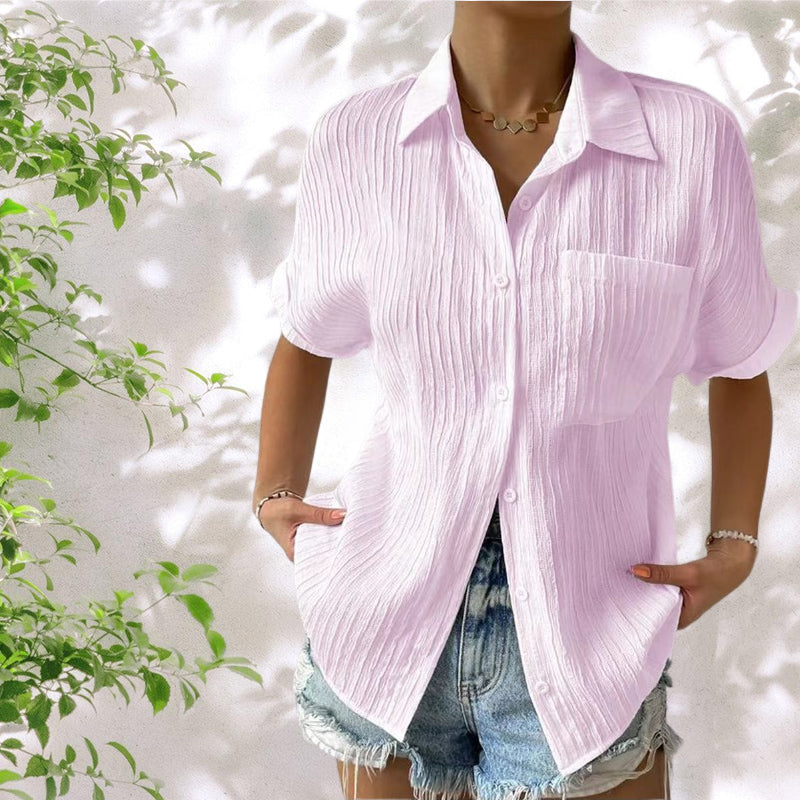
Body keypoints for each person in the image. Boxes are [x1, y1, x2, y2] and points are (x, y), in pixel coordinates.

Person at [253, 2, 797, 799]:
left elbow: (741, 358)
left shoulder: (689, 138)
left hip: (591, 628)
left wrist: (735, 541)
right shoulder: (358, 137)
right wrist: (274, 494)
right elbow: (306, 332)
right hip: (387, 616)